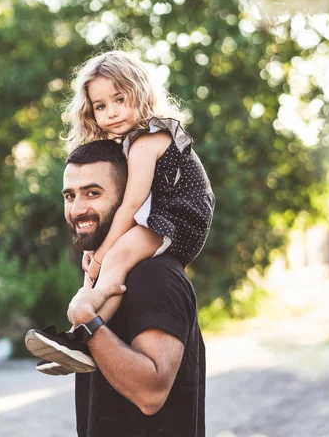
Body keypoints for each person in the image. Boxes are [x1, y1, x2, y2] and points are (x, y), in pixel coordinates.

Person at [26, 50, 214, 369]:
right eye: (100, 106)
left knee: (114, 259)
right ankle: (77, 342)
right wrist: (99, 253)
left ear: (140, 94)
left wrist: (102, 254)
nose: (111, 112)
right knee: (107, 263)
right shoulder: (131, 142)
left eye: (119, 99)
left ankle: (82, 338)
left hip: (182, 218)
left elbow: (132, 203)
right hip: (165, 216)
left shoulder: (147, 139)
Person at [28, 140, 207, 436]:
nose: (77, 208)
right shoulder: (110, 271)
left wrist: (87, 323)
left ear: (128, 199)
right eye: (69, 196)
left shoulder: (154, 275)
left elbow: (151, 394)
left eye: (93, 193)